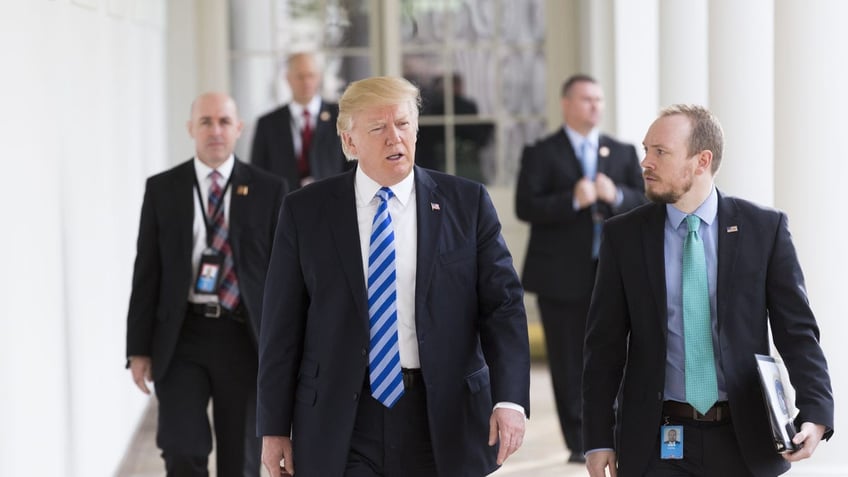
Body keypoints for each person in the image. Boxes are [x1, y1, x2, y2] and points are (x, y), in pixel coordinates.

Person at [257, 76, 530, 477]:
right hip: (344, 414)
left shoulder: (466, 203)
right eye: (377, 128)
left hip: (443, 411)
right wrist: (274, 426)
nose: (394, 138)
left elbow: (503, 307)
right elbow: (281, 324)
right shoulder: (305, 212)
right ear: (349, 143)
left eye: (402, 125)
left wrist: (509, 399)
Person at [582, 104, 834, 476]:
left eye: (660, 152)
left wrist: (815, 412)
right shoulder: (624, 236)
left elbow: (796, 331)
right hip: (657, 441)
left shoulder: (765, 229)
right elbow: (604, 345)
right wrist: (598, 437)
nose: (645, 163)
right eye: (646, 150)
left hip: (745, 438)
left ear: (702, 160)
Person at [126, 92, 287, 476]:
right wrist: (138, 349)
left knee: (241, 460)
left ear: (238, 128)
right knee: (181, 447)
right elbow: (146, 271)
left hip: (244, 338)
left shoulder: (270, 190)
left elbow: (285, 278)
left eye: (224, 121)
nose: (216, 130)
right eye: (206, 122)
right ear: (190, 129)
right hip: (182, 335)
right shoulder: (163, 188)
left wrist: (288, 350)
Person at [514, 73, 645, 463]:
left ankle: (617, 432)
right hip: (559, 277)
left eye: (599, 100)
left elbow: (645, 202)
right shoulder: (541, 152)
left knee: (618, 355)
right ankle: (579, 441)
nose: (595, 106)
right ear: (566, 103)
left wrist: (616, 194)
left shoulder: (621, 152)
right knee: (568, 361)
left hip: (613, 275)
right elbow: (526, 206)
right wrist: (572, 199)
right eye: (587, 99)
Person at [250, 51, 350, 191]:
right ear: (288, 78)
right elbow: (258, 173)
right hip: (284, 205)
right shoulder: (268, 124)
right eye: (300, 76)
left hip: (332, 200)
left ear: (319, 77)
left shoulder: (340, 116)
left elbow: (352, 162)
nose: (306, 82)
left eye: (311, 75)